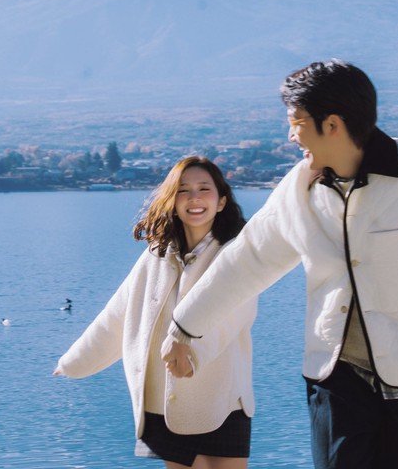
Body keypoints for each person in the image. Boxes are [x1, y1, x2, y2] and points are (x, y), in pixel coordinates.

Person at [163, 60, 398, 469]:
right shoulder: (298, 190)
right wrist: (184, 328)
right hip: (338, 381)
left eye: (297, 122)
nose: (290, 134)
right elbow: (245, 261)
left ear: (332, 124)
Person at [54, 156, 257, 469]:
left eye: (204, 189)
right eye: (183, 190)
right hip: (165, 401)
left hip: (223, 397)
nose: (194, 198)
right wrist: (73, 362)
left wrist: (193, 352)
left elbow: (236, 313)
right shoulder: (156, 255)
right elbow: (119, 314)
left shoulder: (235, 253)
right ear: (172, 201)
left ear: (221, 202)